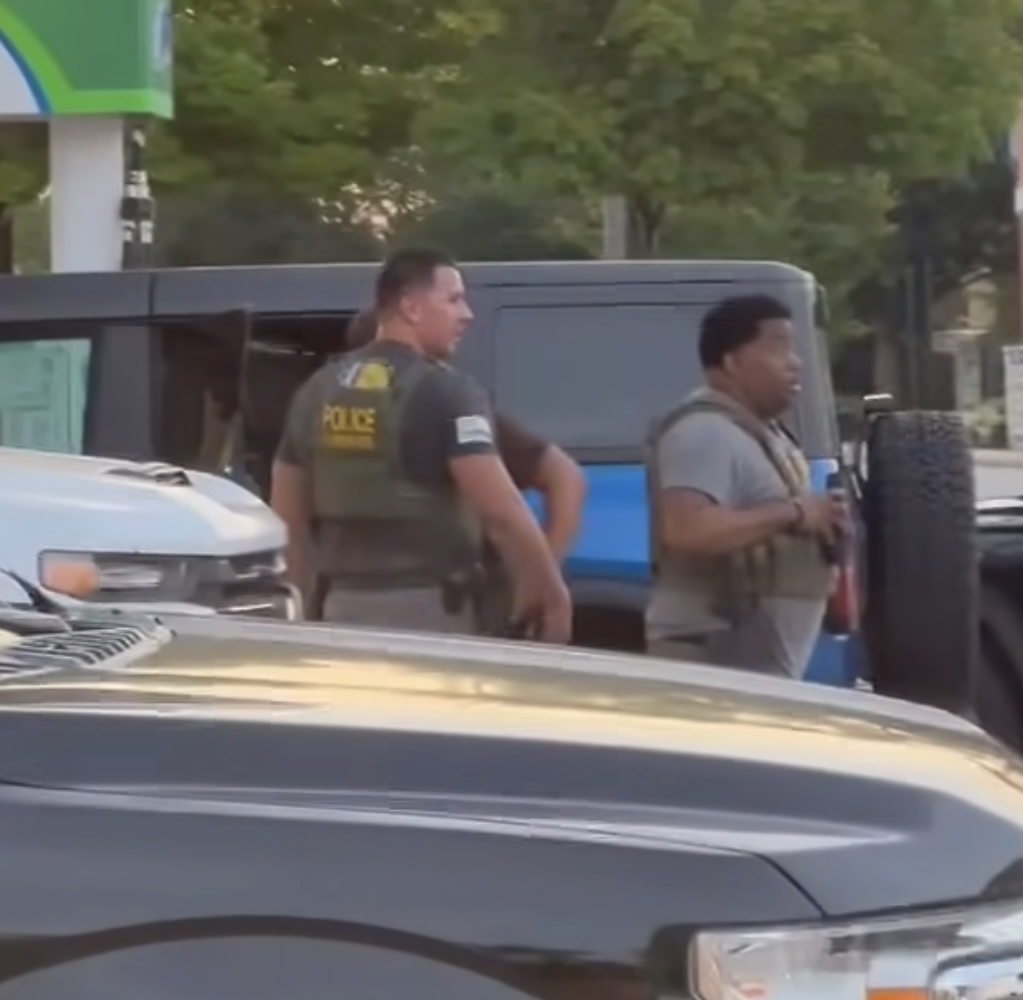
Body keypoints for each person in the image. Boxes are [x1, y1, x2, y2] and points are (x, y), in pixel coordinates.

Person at [269, 247, 572, 642]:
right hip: (431, 613)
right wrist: (551, 592)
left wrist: (304, 616)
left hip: (340, 609)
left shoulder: (316, 391)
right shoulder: (447, 392)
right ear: (411, 308)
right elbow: (502, 514)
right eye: (454, 300)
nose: (467, 314)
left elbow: (287, 519)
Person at [645, 294, 849, 677]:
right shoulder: (704, 432)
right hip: (717, 654)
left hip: (752, 655)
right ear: (732, 361)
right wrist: (795, 513)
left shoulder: (762, 433)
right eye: (778, 348)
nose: (795, 363)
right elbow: (688, 530)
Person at [343, 305, 586, 564]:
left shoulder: (453, 414)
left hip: (453, 578)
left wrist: (542, 571)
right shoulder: (338, 422)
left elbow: (563, 476)